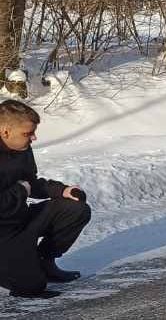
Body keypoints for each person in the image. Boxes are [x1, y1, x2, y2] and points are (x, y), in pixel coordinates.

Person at [0, 99, 92, 299]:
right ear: (5, 132)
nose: (34, 138)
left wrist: (62, 190)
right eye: (28, 133)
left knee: (76, 209)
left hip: (19, 219)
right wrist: (20, 190)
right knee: (32, 287)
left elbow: (30, 183)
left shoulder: (22, 147)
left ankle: (45, 261)